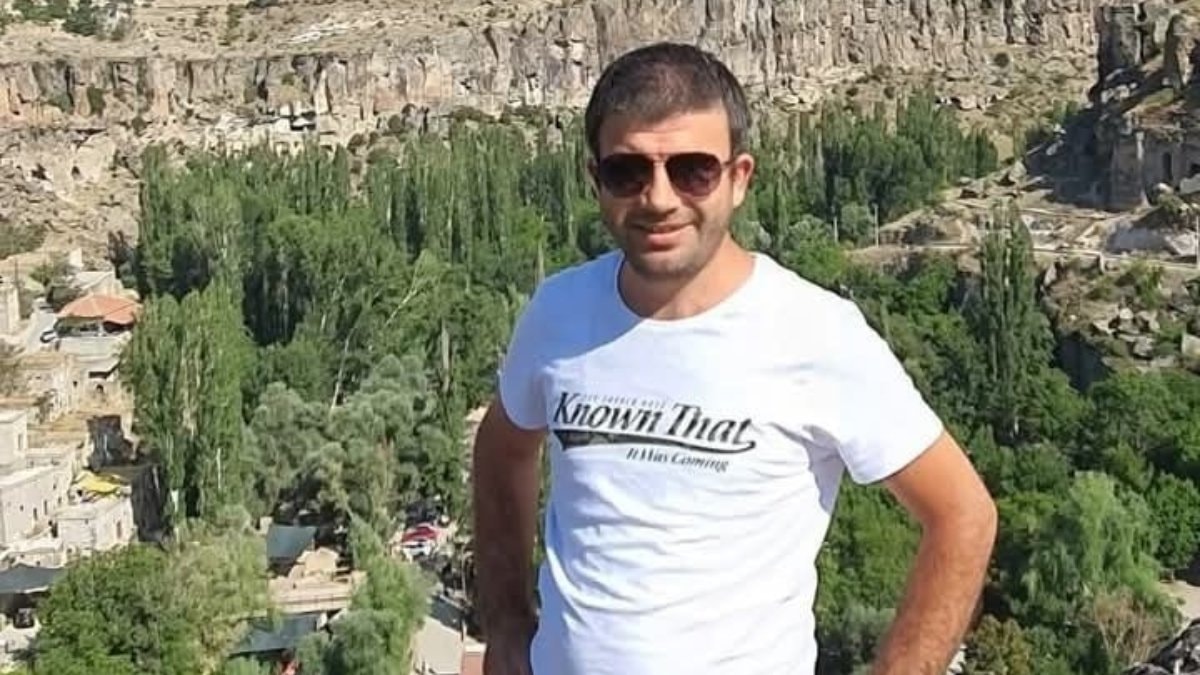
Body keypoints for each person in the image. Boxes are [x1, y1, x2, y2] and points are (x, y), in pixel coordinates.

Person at [471, 41, 998, 675]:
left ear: (739, 178)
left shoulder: (817, 333)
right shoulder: (558, 311)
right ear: (595, 180)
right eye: (628, 172)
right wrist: (506, 624)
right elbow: (502, 448)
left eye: (692, 170)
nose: (659, 198)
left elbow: (963, 514)